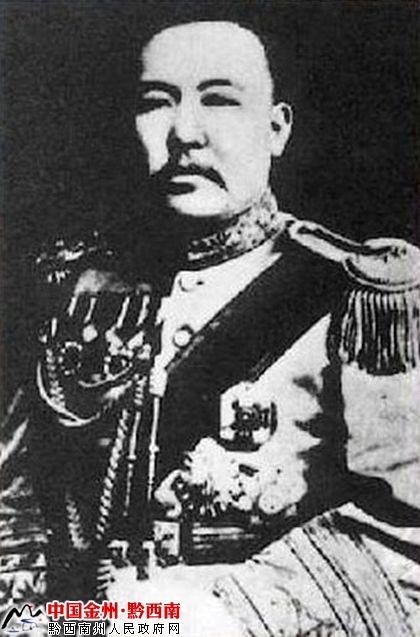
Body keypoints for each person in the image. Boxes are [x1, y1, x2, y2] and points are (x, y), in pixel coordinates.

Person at [1, 16, 419, 637]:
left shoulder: (364, 300)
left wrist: (210, 616)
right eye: (156, 103)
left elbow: (407, 541)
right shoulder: (82, 289)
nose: (185, 134)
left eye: (220, 101)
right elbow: (13, 509)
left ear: (276, 128)